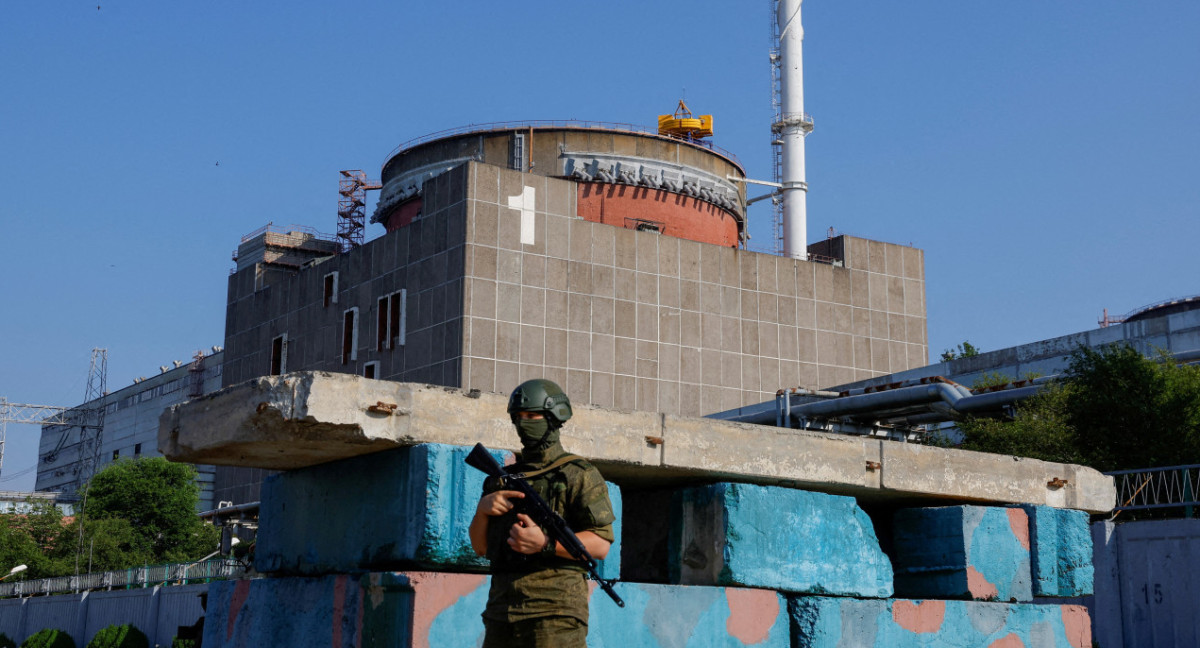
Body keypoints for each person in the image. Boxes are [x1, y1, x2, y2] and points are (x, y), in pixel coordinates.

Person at [469, 379, 616, 648]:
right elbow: (480, 547)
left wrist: (545, 544)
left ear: (553, 417)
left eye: (532, 415)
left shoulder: (578, 473)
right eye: (519, 417)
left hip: (554, 613)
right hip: (502, 612)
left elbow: (601, 544)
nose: (524, 423)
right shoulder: (502, 480)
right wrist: (483, 512)